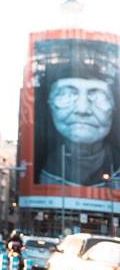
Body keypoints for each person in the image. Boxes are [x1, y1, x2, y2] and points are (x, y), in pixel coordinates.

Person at [33, 38, 120, 187]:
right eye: (67, 94)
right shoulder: (45, 171)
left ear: (114, 106)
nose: (82, 109)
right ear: (49, 105)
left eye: (98, 96)